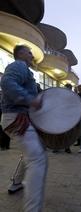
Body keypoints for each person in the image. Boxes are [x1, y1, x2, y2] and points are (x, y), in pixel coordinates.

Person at [0, 45, 48, 211]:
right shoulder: (18, 65)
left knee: (33, 152)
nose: (32, 55)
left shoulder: (27, 72)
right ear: (20, 54)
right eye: (29, 52)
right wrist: (30, 99)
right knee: (38, 159)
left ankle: (16, 183)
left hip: (18, 118)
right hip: (16, 119)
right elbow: (7, 83)